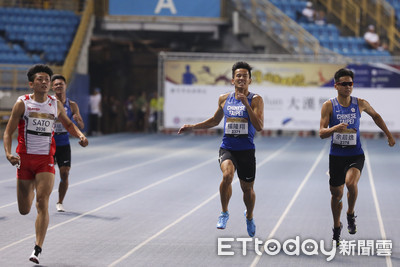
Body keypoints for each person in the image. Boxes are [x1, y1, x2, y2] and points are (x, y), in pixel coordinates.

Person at [3, 64, 88, 264]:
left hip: (45, 160)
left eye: (47, 80)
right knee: (24, 209)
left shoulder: (54, 104)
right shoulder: (22, 104)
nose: (44, 82)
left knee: (43, 202)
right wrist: (8, 153)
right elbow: (8, 132)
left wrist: (80, 135)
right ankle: (30, 187)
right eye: (40, 79)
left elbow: (68, 124)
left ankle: (37, 248)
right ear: (31, 84)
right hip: (24, 159)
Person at [178, 61, 264, 237]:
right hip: (228, 148)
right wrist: (192, 126)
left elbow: (260, 126)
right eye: (238, 76)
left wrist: (246, 105)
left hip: (246, 150)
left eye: (245, 76)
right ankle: (224, 212)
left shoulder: (256, 100)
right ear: (233, 80)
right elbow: (214, 121)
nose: (241, 78)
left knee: (247, 189)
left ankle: (249, 216)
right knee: (227, 176)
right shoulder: (224, 99)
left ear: (250, 80)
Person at [319, 68, 395, 247]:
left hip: (355, 155)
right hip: (336, 156)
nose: (348, 87)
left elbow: (376, 116)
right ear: (336, 86)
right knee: (336, 194)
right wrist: (334, 129)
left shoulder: (360, 103)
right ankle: (337, 226)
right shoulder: (328, 105)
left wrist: (389, 135)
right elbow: (322, 133)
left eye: (350, 84)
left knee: (351, 183)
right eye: (344, 84)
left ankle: (350, 213)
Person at [51, 74, 85, 212]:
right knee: (45, 174)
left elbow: (81, 126)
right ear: (52, 87)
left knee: (64, 173)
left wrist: (78, 120)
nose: (59, 86)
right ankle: (42, 198)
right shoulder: (48, 102)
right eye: (56, 84)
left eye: (61, 84)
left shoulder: (72, 105)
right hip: (49, 143)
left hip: (64, 143)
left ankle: (59, 202)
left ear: (65, 86)